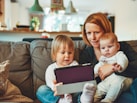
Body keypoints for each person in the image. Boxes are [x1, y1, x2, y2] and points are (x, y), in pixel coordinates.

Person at [79, 12, 137, 103]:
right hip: (101, 90)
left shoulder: (121, 47)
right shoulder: (86, 54)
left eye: (96, 32)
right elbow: (83, 79)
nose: (92, 37)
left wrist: (112, 68)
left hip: (124, 87)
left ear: (106, 31)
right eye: (89, 33)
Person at [36, 35, 96, 103]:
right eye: (63, 52)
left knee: (84, 87)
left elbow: (78, 80)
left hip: (73, 93)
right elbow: (50, 84)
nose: (67, 56)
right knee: (41, 90)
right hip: (58, 94)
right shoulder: (51, 68)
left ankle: (85, 99)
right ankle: (60, 101)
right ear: (54, 54)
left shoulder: (74, 64)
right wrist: (55, 88)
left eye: (70, 53)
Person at [93, 32, 132, 103]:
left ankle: (108, 100)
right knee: (99, 87)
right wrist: (95, 72)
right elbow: (98, 66)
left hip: (122, 79)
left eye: (110, 46)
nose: (106, 50)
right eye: (103, 48)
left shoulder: (119, 54)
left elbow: (124, 60)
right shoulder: (103, 59)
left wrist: (120, 66)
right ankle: (92, 99)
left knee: (117, 83)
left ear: (117, 46)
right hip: (107, 82)